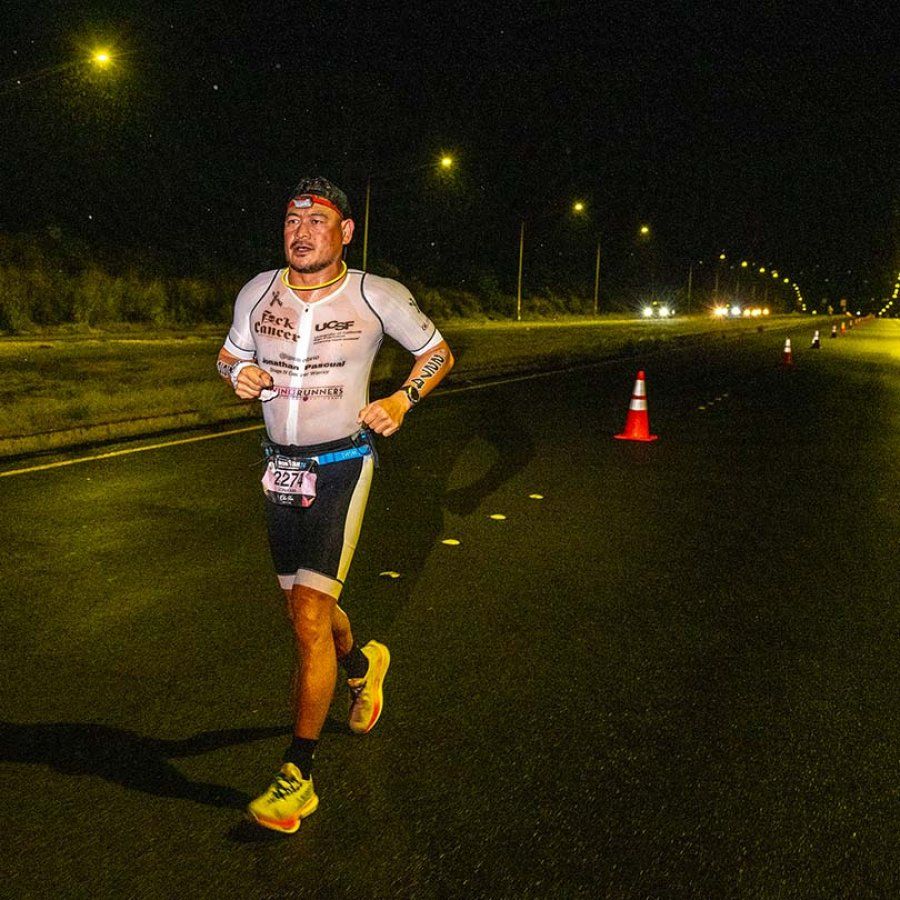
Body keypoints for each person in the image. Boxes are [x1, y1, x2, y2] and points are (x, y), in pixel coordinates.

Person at [216, 176, 454, 834]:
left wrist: (403, 399)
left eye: (316, 221)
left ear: (345, 231)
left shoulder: (377, 295)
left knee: (309, 619)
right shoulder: (258, 291)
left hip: (344, 465)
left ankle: (298, 776)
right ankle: (363, 665)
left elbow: (435, 352)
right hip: (280, 472)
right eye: (291, 220)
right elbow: (228, 355)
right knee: (302, 611)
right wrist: (239, 375)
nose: (300, 231)